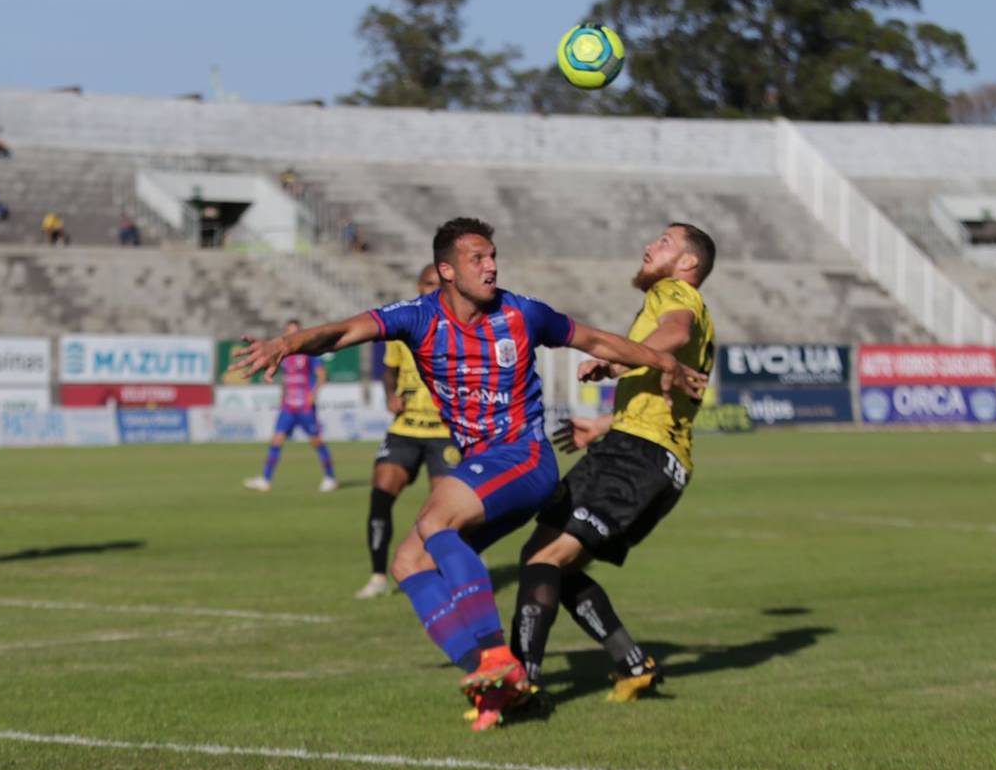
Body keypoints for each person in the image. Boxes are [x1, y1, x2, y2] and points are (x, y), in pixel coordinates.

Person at [232, 217, 699, 731]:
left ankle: (498, 656)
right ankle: (495, 684)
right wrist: (285, 344)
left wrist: (662, 361)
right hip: (485, 465)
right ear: (447, 270)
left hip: (523, 458)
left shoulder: (523, 313)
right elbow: (345, 331)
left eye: (493, 255)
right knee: (409, 564)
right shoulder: (417, 316)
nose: (492, 265)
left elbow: (598, 341)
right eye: (478, 259)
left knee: (436, 522)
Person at [505, 222, 717, 719]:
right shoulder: (674, 303)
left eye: (664, 242)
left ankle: (520, 687)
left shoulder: (675, 293)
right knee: (546, 557)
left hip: (637, 458)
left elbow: (675, 331)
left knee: (546, 558)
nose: (649, 245)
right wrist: (602, 425)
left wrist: (617, 364)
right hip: (641, 452)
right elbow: (666, 389)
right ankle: (632, 662)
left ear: (687, 264)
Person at [355, 264, 455, 600]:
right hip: (405, 427)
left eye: (438, 285)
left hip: (444, 431)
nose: (432, 290)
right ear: (418, 285)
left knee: (444, 509)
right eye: (427, 284)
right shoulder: (406, 322)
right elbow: (389, 370)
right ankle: (378, 576)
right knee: (380, 493)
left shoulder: (459, 325)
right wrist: (390, 394)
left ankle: (447, 568)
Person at [243, 320, 338, 494]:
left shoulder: (309, 353)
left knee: (316, 441)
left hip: (305, 407)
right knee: (276, 440)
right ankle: (266, 480)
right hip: (288, 407)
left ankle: (330, 478)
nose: (292, 335)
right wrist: (282, 398)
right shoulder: (284, 355)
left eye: (295, 331)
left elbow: (322, 376)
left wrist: (313, 395)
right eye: (289, 332)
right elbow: (286, 380)